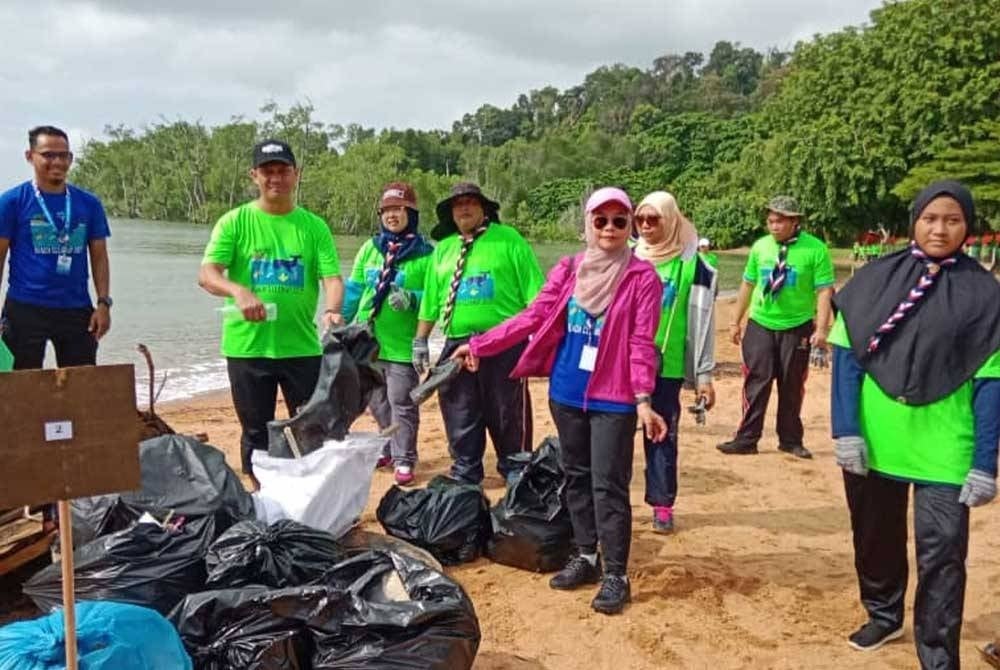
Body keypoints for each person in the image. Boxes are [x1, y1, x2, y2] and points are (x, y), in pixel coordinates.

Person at [451, 187, 667, 615]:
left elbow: (642, 343)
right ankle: (587, 556)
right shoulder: (569, 270)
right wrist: (480, 344)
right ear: (588, 223)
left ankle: (616, 574)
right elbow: (532, 317)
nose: (609, 228)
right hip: (566, 392)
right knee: (576, 477)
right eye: (600, 220)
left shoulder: (643, 279)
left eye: (618, 221)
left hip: (616, 397)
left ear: (629, 228)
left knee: (609, 484)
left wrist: (643, 398)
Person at [831, 180, 1000, 668]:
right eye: (930, 218)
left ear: (967, 226)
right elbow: (846, 358)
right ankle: (883, 614)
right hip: (875, 439)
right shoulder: (875, 279)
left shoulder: (985, 294)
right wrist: (846, 430)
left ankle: (938, 654)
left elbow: (992, 382)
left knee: (943, 555)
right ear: (914, 221)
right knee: (874, 537)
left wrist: (984, 462)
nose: (940, 229)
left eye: (952, 219)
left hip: (945, 446)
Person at [198, 139, 344, 485]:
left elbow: (333, 279)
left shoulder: (314, 226)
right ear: (254, 176)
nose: (275, 178)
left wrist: (332, 311)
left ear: (296, 175)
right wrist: (239, 290)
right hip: (248, 348)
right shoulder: (235, 222)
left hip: (301, 347)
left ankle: (306, 494)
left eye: (282, 170)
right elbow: (207, 275)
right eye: (267, 171)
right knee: (255, 432)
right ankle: (260, 495)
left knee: (309, 428)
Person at [414, 182, 544, 485]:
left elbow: (537, 298)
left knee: (506, 410)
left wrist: (539, 343)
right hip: (455, 342)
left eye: (471, 202)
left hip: (504, 343)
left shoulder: (510, 240)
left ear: (484, 208)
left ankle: (515, 469)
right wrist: (420, 340)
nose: (465, 208)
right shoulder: (444, 250)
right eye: (458, 204)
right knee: (459, 410)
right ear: (451, 213)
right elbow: (431, 301)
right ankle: (466, 471)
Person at [717, 195, 834, 459]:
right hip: (760, 323)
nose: (773, 225)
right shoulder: (760, 247)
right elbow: (747, 284)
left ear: (795, 221)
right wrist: (735, 321)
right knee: (757, 380)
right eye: (770, 220)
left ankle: (791, 440)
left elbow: (825, 291)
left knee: (792, 385)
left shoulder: (815, 250)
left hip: (797, 326)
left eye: (780, 220)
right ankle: (747, 439)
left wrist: (822, 330)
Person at [633, 192, 717, 533]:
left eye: (655, 219)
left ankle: (662, 504)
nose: (647, 226)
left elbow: (703, 320)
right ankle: (610, 504)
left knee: (661, 435)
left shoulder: (693, 265)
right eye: (641, 220)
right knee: (614, 436)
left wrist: (704, 374)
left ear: (672, 221)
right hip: (623, 364)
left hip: (665, 367)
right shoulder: (626, 256)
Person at [342, 182, 433, 485]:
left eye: (399, 209)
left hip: (402, 345)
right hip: (368, 341)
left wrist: (413, 298)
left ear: (411, 213)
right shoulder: (371, 248)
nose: (392, 215)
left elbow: (437, 296)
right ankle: (390, 447)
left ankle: (405, 458)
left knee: (401, 401)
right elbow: (355, 288)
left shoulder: (425, 255)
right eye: (387, 210)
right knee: (376, 398)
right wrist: (338, 318)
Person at [0, 125, 112, 370]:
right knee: (20, 387)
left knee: (82, 385)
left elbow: (100, 257)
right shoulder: (11, 202)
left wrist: (103, 304)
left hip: (75, 308)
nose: (58, 162)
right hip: (24, 308)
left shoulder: (89, 203)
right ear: (30, 156)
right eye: (49, 155)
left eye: (64, 155)